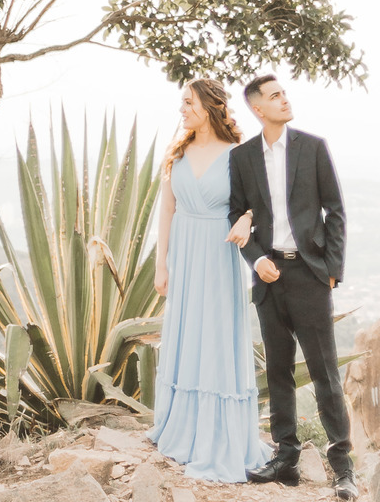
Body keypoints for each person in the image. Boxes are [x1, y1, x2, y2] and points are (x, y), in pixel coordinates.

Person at [228, 75, 355, 500]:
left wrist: (332, 269)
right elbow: (237, 214)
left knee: (324, 375)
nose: (285, 99)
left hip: (310, 275)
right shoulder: (243, 157)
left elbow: (334, 209)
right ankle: (286, 460)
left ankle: (342, 469)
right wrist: (257, 259)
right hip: (268, 278)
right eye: (275, 96)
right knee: (279, 371)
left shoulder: (312, 146)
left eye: (284, 93)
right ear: (257, 108)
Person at [148, 78, 265, 482]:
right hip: (184, 254)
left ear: (209, 106)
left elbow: (255, 206)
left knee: (214, 337)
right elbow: (166, 210)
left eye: (188, 102)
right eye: (181, 102)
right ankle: (181, 426)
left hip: (219, 256)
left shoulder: (238, 154)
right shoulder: (176, 152)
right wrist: (161, 265)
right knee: (186, 334)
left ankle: (218, 434)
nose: (181, 109)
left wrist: (248, 219)